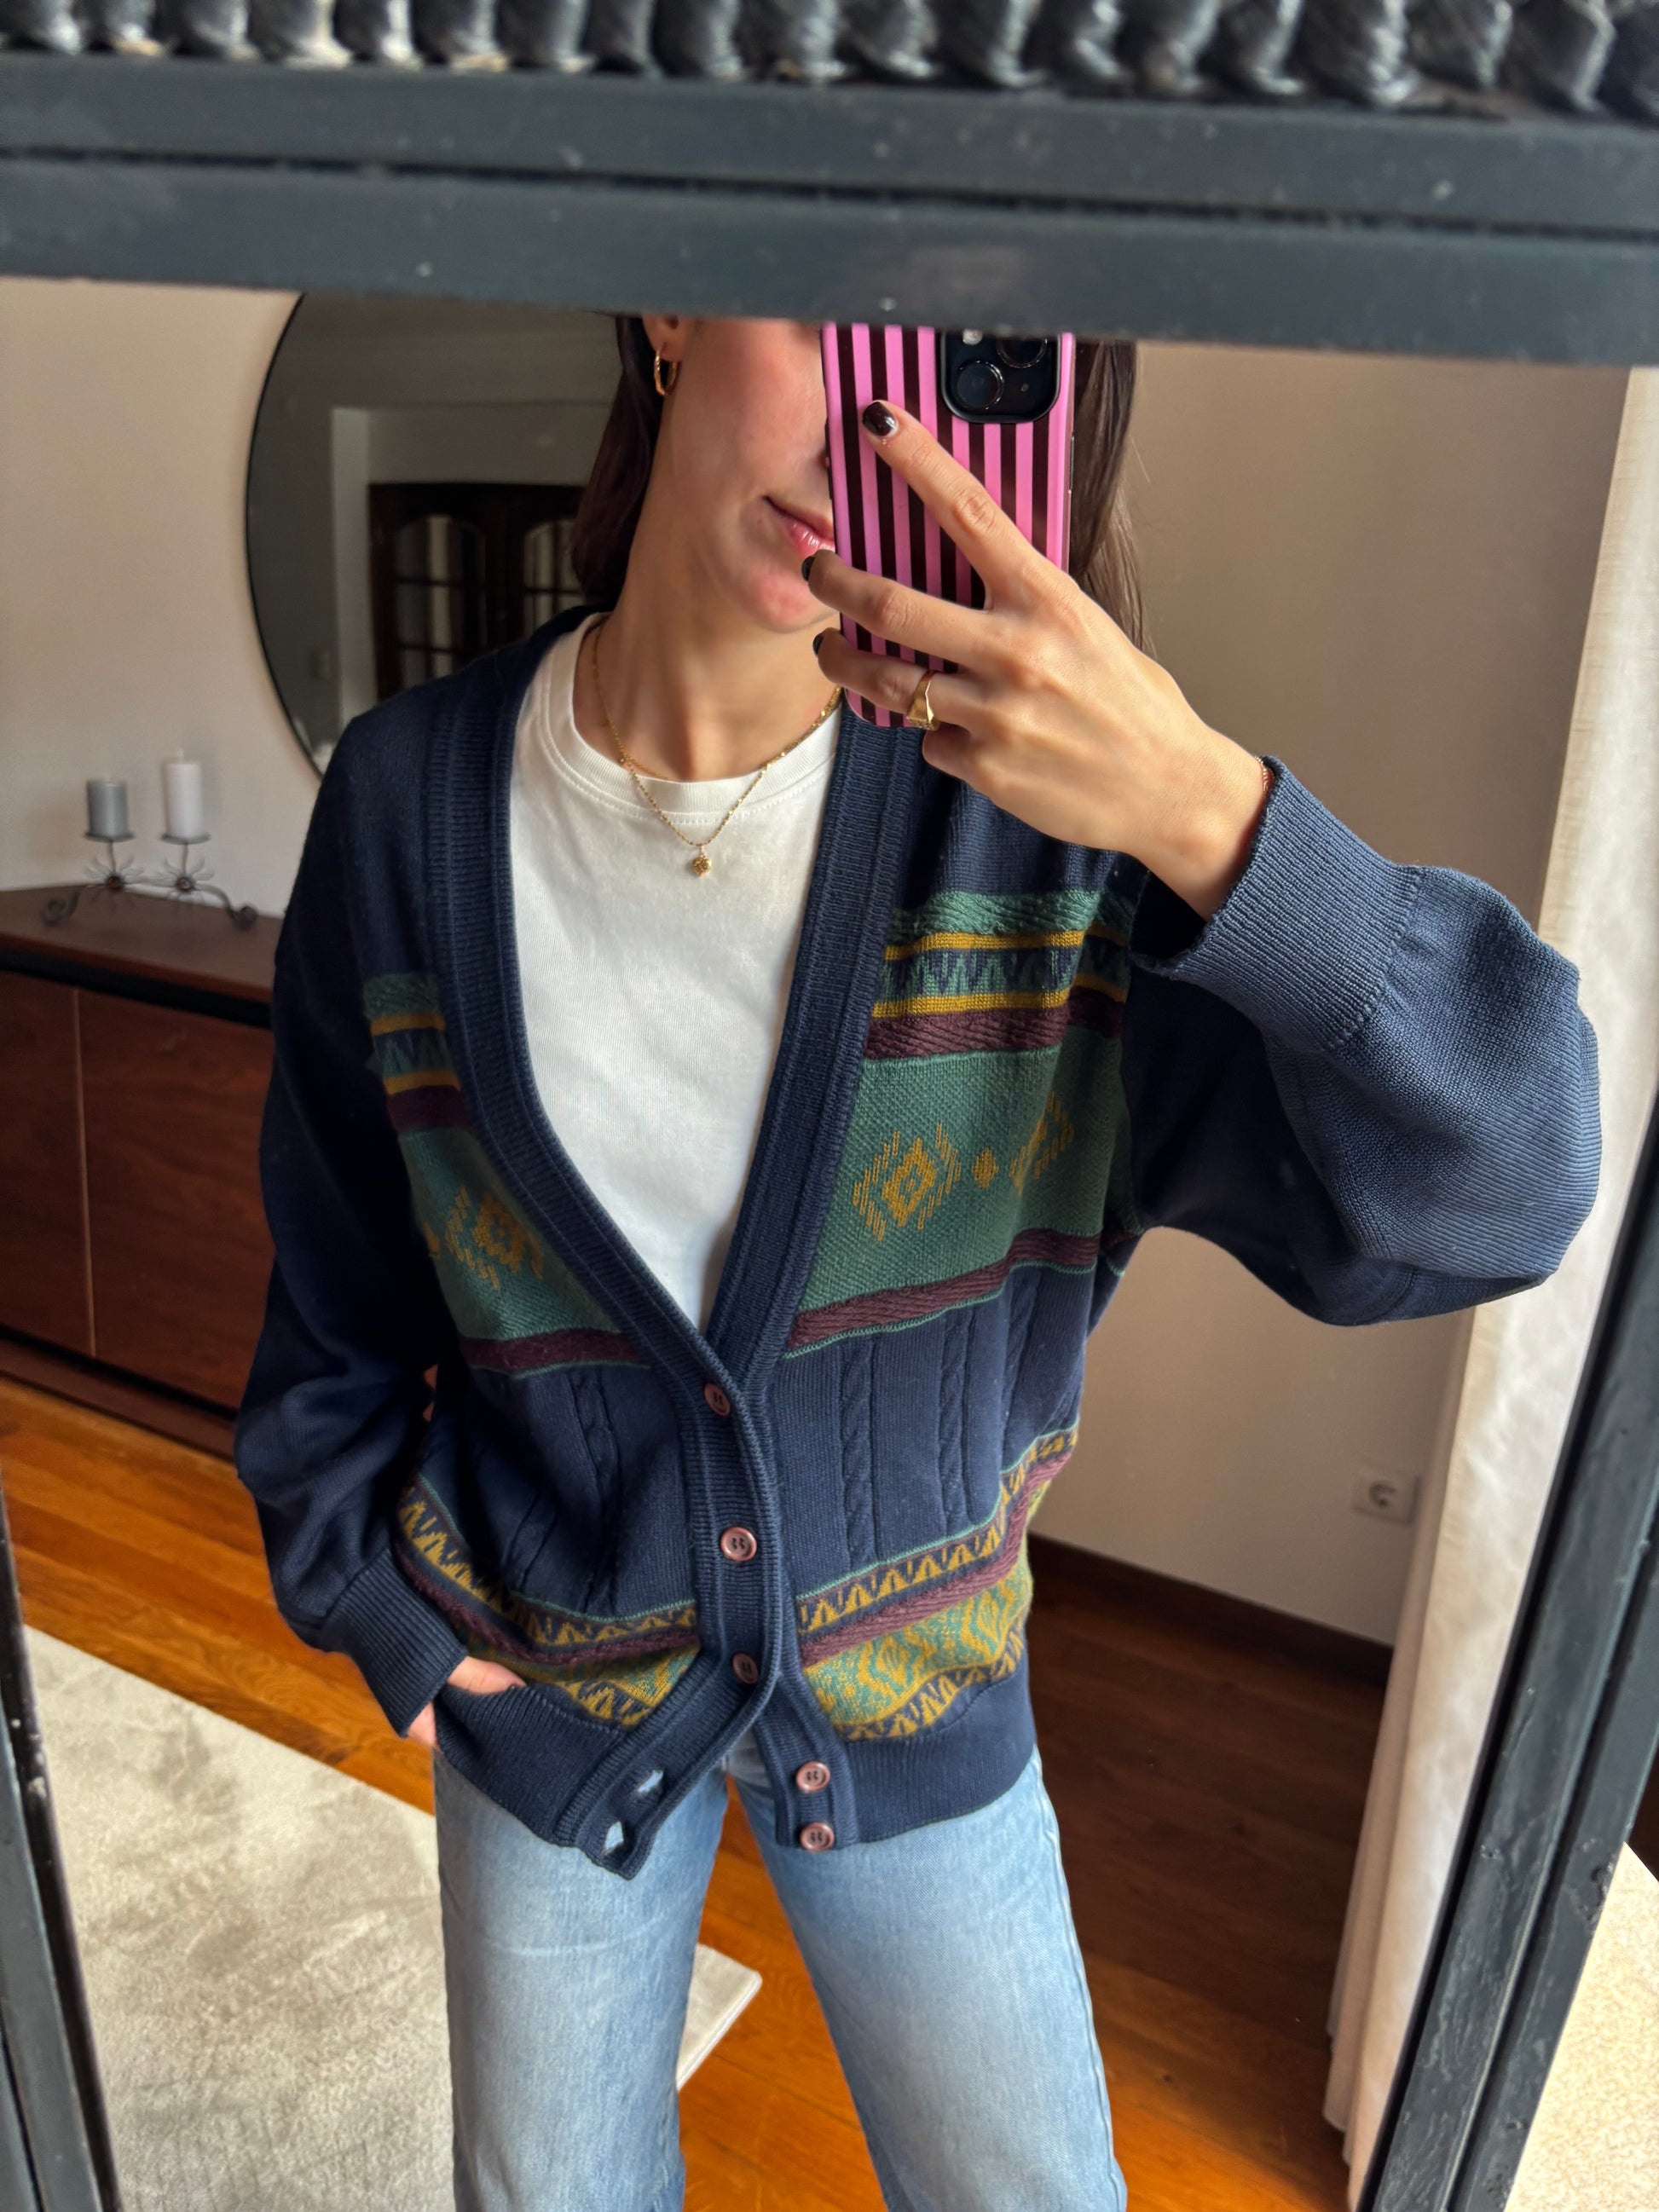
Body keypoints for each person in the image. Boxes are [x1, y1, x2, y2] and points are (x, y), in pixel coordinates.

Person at [233, 315, 1600, 2212]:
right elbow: (334, 1287)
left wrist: (1209, 816)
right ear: (671, 309)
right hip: (542, 1698)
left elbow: (1512, 1181)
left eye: (963, 361)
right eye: (836, 311)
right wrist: (377, 1605)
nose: (878, 426)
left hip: (919, 1703)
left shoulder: (1050, 847)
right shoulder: (403, 801)